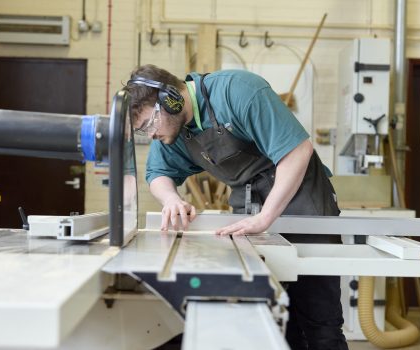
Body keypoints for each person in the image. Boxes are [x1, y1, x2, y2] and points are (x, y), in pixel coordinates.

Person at [126, 64, 348, 350]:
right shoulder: (175, 131)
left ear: (171, 99)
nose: (150, 135)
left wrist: (266, 216)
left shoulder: (238, 91)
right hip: (251, 210)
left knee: (320, 324)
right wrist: (171, 199)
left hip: (303, 203)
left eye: (148, 125)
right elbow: (157, 173)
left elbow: (297, 151)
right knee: (277, 318)